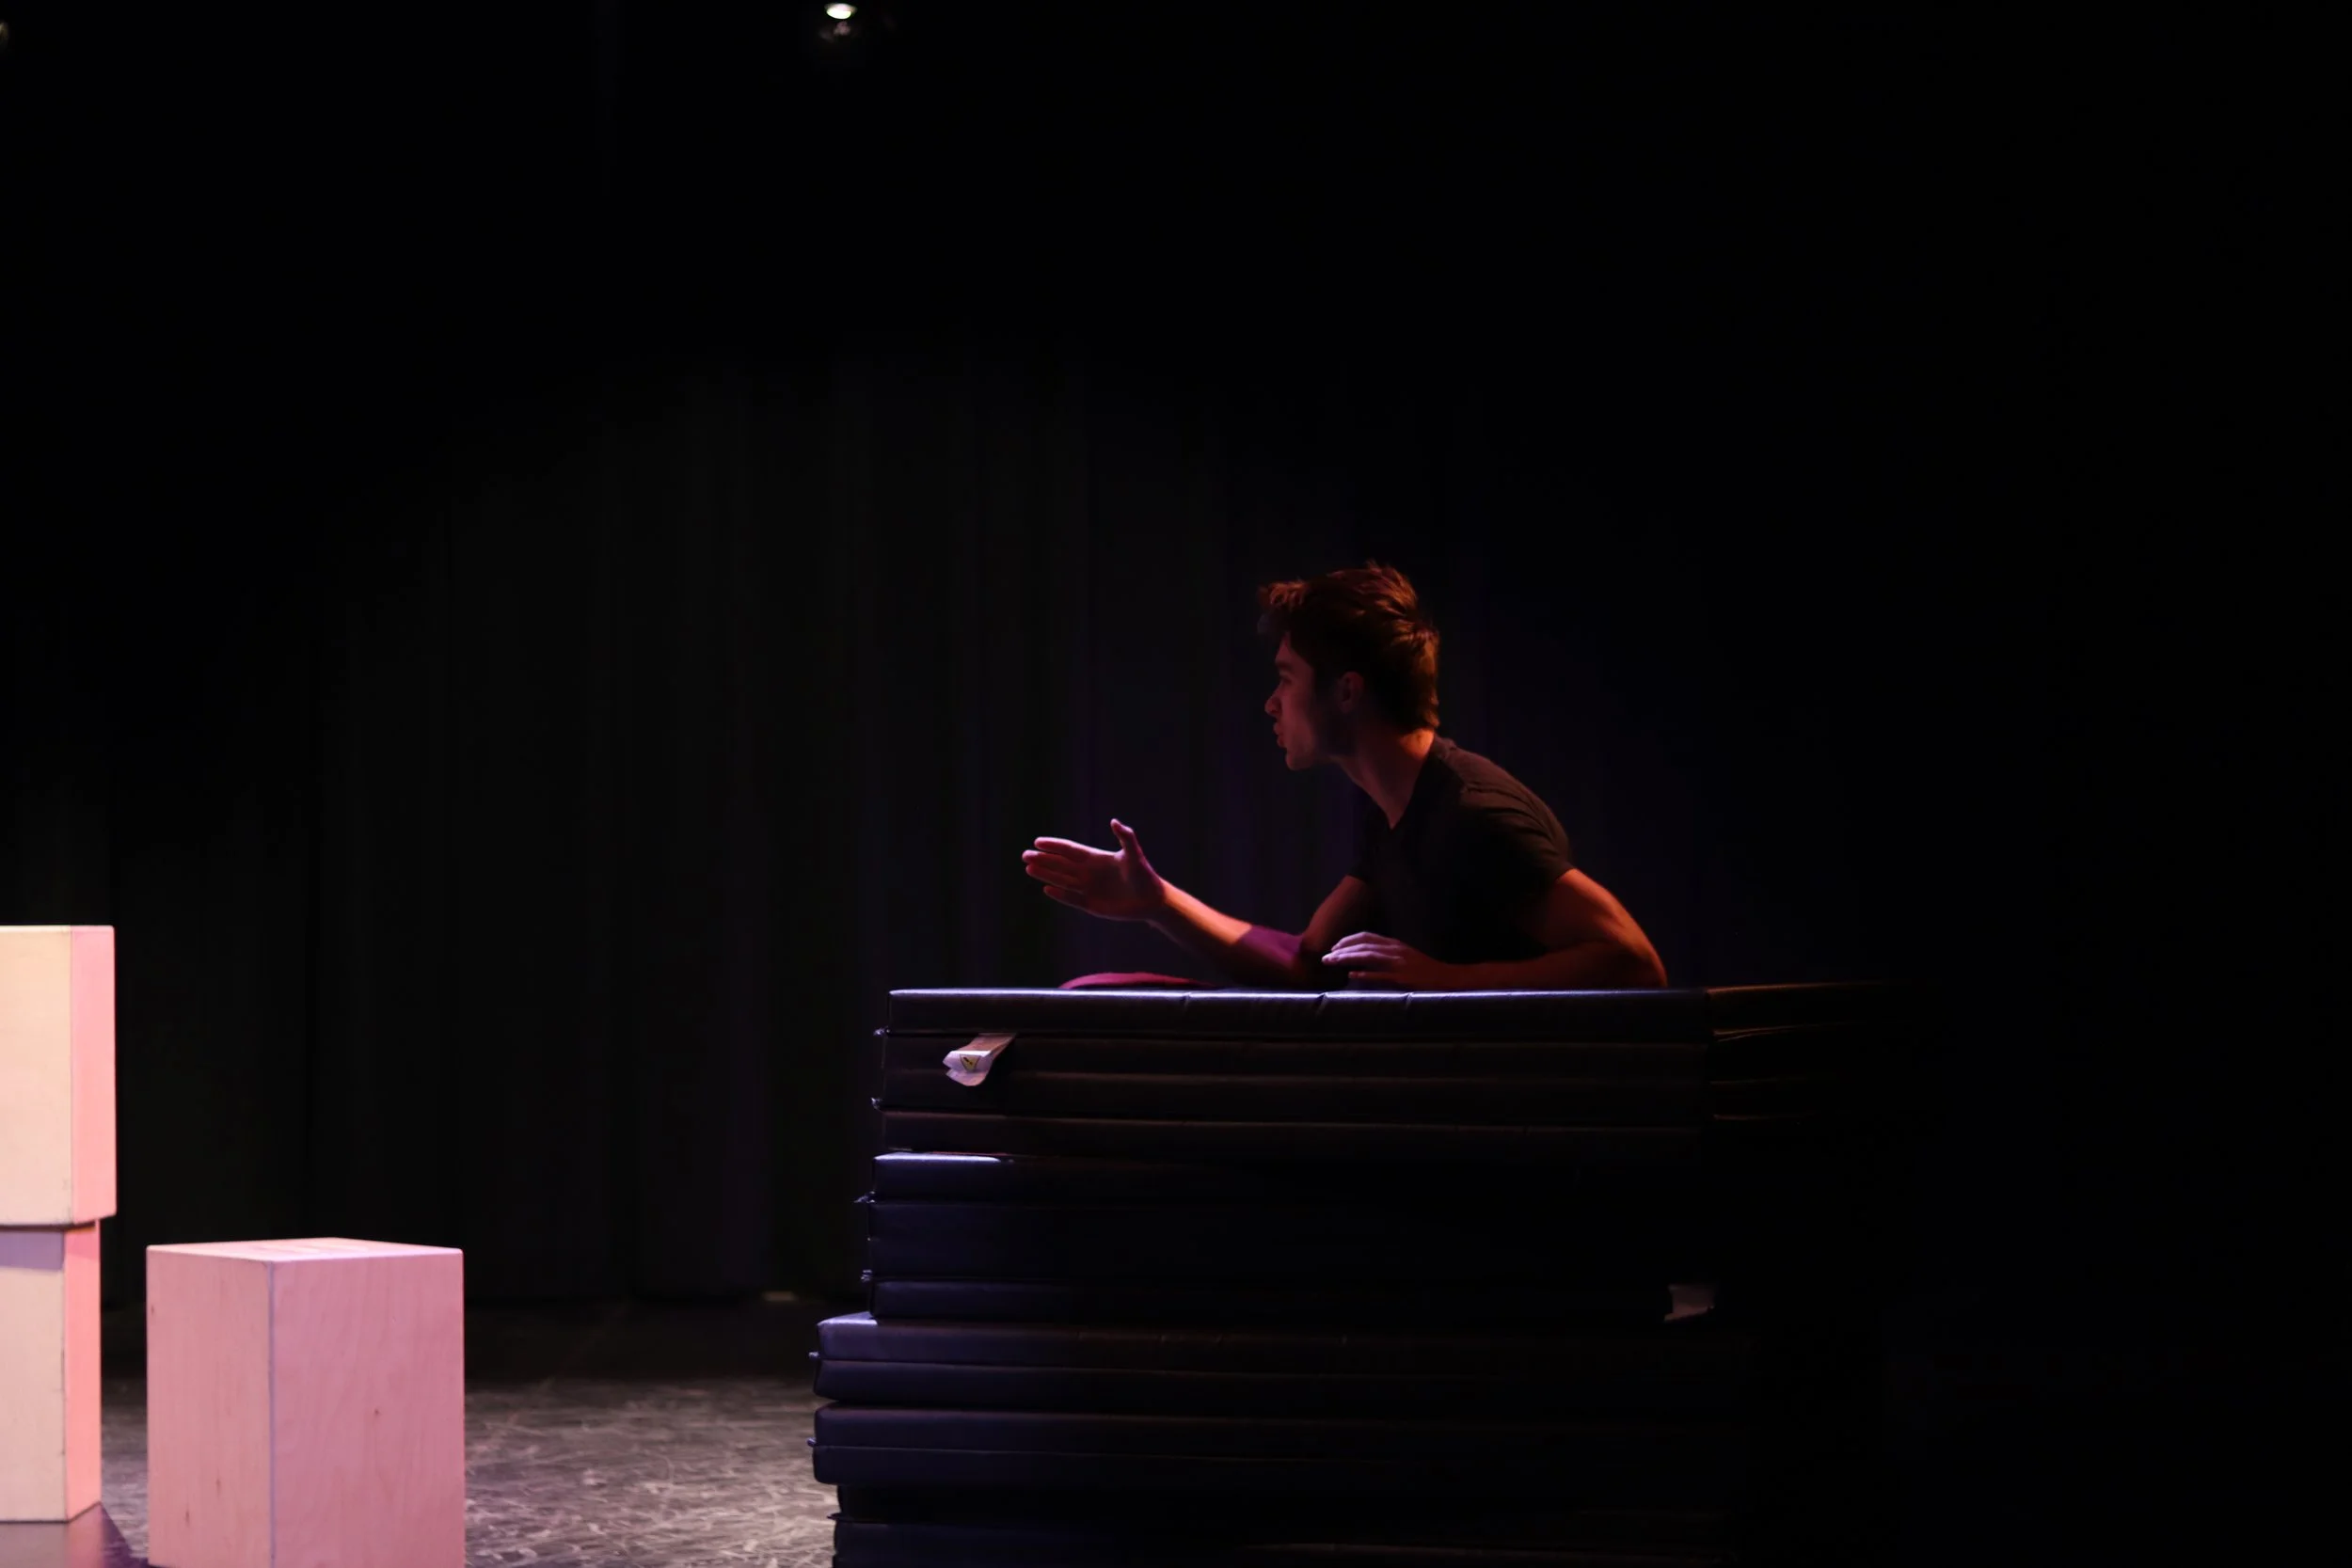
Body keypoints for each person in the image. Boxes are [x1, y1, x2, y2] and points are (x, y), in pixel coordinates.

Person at [1022, 562, 1668, 990]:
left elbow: (1635, 963)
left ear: (1348, 691)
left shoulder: (1475, 814)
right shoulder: (1395, 809)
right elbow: (1310, 962)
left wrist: (1444, 981)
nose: (1272, 702)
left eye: (1286, 677)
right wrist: (1159, 903)